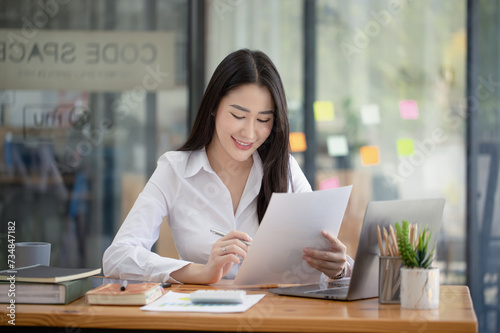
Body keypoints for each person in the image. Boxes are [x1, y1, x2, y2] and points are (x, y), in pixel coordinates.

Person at [103, 49, 353, 284]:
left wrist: (339, 269)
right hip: (204, 317)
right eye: (238, 116)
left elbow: (321, 260)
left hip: (273, 317)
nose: (250, 132)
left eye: (264, 119)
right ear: (214, 106)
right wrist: (202, 271)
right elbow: (117, 257)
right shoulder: (176, 170)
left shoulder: (284, 168)